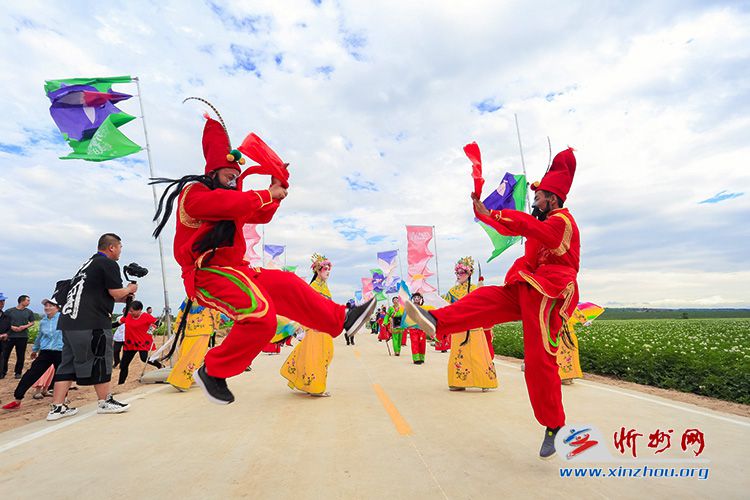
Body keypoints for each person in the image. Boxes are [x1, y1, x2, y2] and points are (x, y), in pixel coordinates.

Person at [150, 107, 375, 404]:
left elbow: (258, 213)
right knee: (260, 318)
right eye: (229, 176)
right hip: (209, 273)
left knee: (288, 283)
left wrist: (275, 190)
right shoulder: (194, 194)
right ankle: (213, 370)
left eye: (236, 178)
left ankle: (342, 319)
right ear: (213, 173)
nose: (233, 182)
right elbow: (229, 203)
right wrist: (267, 193)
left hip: (238, 270)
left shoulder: (229, 200)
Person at [406, 148, 580, 459]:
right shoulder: (542, 223)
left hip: (549, 292)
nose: (534, 199)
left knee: (538, 361)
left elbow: (528, 226)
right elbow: (522, 227)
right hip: (528, 285)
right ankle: (437, 321)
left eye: (538, 195)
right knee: (485, 298)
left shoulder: (562, 222)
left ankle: (554, 424)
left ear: (551, 198)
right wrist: (485, 214)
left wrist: (494, 214)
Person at [48, 233, 137, 421]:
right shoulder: (108, 264)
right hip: (91, 323)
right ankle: (105, 401)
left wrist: (125, 297)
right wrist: (130, 289)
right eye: (120, 246)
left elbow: (105, 295)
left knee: (68, 363)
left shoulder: (87, 265)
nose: (120, 250)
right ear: (111, 247)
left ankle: (57, 408)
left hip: (69, 322)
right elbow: (115, 292)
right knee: (101, 358)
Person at [280, 254, 337, 396]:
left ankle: (308, 383)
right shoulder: (313, 287)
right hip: (315, 328)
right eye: (325, 269)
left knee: (325, 354)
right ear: (318, 270)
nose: (328, 272)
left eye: (329, 269)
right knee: (315, 356)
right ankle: (316, 388)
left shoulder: (325, 288)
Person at [442, 257, 497, 392]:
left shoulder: (475, 288)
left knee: (478, 354)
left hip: (475, 327)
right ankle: (458, 382)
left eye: (462, 272)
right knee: (459, 354)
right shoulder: (451, 292)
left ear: (469, 273)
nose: (459, 275)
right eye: (457, 272)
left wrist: (482, 293)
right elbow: (446, 307)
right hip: (459, 329)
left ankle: (485, 381)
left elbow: (485, 307)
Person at [2, 298, 63, 410]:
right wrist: (35, 350)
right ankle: (17, 399)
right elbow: (40, 336)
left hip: (61, 352)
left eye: (51, 305)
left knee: (62, 377)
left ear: (57, 308)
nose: (47, 308)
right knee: (31, 374)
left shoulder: (64, 319)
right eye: (46, 306)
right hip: (46, 352)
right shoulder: (44, 321)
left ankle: (61, 402)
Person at [167, 298, 223, 391]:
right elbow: (215, 312)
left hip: (189, 331)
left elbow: (181, 315)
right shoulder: (207, 297)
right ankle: (180, 381)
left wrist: (176, 328)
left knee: (185, 355)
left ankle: (190, 379)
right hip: (203, 331)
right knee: (195, 357)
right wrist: (216, 326)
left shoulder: (188, 298)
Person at [117, 301, 162, 385]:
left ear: (139, 310)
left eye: (132, 311)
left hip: (142, 342)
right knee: (123, 364)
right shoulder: (128, 316)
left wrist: (150, 331)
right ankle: (121, 383)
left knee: (144, 358)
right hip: (130, 343)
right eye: (129, 311)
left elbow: (158, 323)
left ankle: (159, 365)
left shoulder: (146, 316)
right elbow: (118, 323)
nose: (130, 312)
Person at [2, 294, 35, 379]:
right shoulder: (9, 311)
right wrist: (11, 327)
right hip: (10, 336)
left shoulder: (29, 312)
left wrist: (24, 327)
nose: (29, 302)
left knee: (20, 355)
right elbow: (3, 321)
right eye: (28, 300)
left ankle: (18, 373)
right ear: (22, 301)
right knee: (5, 355)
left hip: (23, 336)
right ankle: (2, 372)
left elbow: (32, 322)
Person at [403, 292, 432, 364]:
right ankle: (416, 359)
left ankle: (421, 358)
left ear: (421, 299)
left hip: (422, 328)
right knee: (415, 342)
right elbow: (406, 316)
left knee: (422, 343)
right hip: (413, 328)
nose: (416, 299)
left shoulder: (424, 308)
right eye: (415, 298)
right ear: (413, 299)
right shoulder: (410, 307)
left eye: (418, 298)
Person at [0, 292, 11, 384]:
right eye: (0, 301)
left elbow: (8, 329)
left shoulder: (6, 317)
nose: (2, 303)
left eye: (3, 301)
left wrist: (6, 334)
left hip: (2, 344)